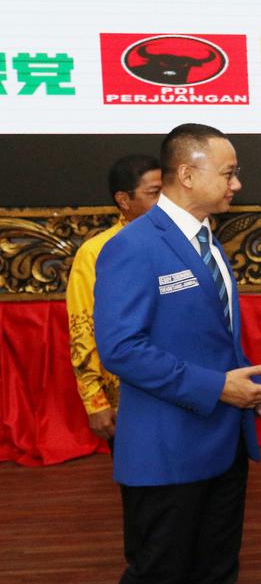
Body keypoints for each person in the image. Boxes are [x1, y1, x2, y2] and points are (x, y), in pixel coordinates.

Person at [80, 123, 261, 584]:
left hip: (222, 440)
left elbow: (211, 338)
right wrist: (216, 389)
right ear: (187, 172)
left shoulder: (207, 240)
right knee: (158, 574)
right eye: (228, 172)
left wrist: (255, 392)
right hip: (168, 448)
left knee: (213, 576)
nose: (237, 183)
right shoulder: (133, 245)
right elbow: (120, 348)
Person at [66, 154, 162, 444]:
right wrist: (95, 401)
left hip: (181, 388)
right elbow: (83, 327)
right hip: (127, 396)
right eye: (154, 194)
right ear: (123, 199)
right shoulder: (95, 252)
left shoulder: (182, 240)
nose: (165, 202)